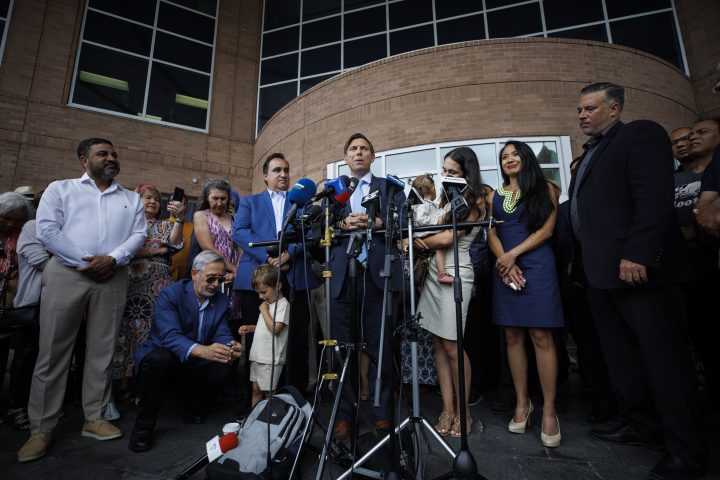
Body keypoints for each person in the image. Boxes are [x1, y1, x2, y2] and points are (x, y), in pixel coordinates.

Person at [570, 82, 706, 479]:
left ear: (614, 109)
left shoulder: (640, 134)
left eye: (591, 108)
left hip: (640, 271)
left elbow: (653, 198)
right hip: (603, 277)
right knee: (625, 360)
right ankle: (642, 425)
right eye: (580, 110)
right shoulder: (592, 151)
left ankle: (686, 451)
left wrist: (638, 253)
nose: (582, 115)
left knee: (665, 363)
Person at [18, 138, 146, 463]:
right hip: (67, 272)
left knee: (102, 350)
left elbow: (138, 235)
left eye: (114, 153)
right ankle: (41, 428)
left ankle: (95, 417)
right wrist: (87, 261)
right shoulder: (61, 189)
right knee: (53, 350)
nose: (111, 157)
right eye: (103, 153)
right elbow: (47, 230)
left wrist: (113, 259)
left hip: (113, 275)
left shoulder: (131, 198)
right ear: (83, 160)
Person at [486, 141, 563, 447]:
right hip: (506, 266)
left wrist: (511, 256)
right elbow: (491, 232)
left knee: (541, 335)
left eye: (514, 153)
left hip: (536, 264)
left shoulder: (546, 187)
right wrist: (504, 261)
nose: (509, 159)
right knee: (512, 336)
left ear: (526, 157)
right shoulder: (495, 194)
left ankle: (549, 410)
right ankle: (522, 402)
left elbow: (547, 230)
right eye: (504, 156)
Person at [128, 251, 243, 453]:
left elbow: (222, 332)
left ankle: (190, 403)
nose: (216, 284)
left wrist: (230, 346)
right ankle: (143, 427)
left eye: (220, 278)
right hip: (166, 356)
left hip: (193, 361)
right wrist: (203, 351)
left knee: (224, 363)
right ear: (194, 273)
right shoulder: (172, 294)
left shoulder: (222, 300)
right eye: (211, 278)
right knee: (160, 359)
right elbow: (169, 337)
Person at [330, 133, 406, 442]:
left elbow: (403, 218)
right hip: (342, 277)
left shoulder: (390, 187)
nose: (358, 153)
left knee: (380, 348)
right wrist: (342, 225)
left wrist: (375, 224)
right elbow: (321, 228)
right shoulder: (335, 191)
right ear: (346, 158)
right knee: (341, 350)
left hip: (378, 276)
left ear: (373, 157)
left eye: (364, 149)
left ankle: (382, 414)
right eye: (353, 149)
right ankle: (343, 417)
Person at [232, 153, 316, 397]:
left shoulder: (304, 203)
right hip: (258, 278)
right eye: (277, 170)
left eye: (287, 170)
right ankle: (252, 400)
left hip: (295, 277)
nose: (283, 174)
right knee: (257, 338)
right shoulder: (250, 202)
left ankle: (295, 398)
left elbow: (310, 236)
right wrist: (269, 257)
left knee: (297, 340)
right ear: (265, 175)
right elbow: (240, 232)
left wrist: (289, 254)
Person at [414, 147, 484, 438]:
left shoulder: (476, 200)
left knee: (454, 346)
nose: (446, 176)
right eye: (444, 170)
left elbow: (449, 236)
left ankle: (464, 411)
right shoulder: (442, 198)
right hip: (432, 275)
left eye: (452, 172)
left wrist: (415, 242)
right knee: (438, 345)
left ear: (467, 173)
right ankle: (447, 409)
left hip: (456, 273)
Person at [111, 184, 186, 408]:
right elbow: (123, 249)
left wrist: (179, 219)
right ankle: (120, 386)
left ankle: (145, 385)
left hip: (158, 285)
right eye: (147, 198)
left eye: (156, 199)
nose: (153, 201)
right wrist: (155, 250)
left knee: (152, 332)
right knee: (126, 333)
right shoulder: (127, 224)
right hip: (131, 282)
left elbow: (173, 244)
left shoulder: (166, 224)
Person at [0, 192, 36, 431]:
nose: (11, 224)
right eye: (6, 219)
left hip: (20, 304)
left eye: (18, 220)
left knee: (24, 359)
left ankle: (17, 406)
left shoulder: (25, 235)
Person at [238, 264, 290, 407]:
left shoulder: (283, 305)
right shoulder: (267, 304)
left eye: (264, 292)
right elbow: (264, 327)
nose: (261, 297)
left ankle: (271, 422)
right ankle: (255, 420)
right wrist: (250, 328)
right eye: (258, 293)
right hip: (257, 355)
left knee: (269, 393)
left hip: (270, 358)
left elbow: (275, 329)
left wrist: (264, 311)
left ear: (278, 286)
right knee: (256, 389)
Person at [192, 179, 239, 285]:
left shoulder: (235, 219)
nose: (219, 203)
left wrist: (237, 273)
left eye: (223, 198)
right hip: (211, 271)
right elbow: (208, 247)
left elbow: (241, 248)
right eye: (215, 198)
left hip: (234, 275)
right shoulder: (201, 216)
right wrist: (233, 268)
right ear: (207, 198)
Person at [411, 173, 452, 284]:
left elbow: (437, 213)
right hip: (423, 233)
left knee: (438, 249)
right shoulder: (423, 204)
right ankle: (441, 273)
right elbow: (421, 219)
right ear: (433, 188)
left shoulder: (428, 204)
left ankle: (437, 274)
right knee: (440, 246)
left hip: (425, 232)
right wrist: (437, 221)